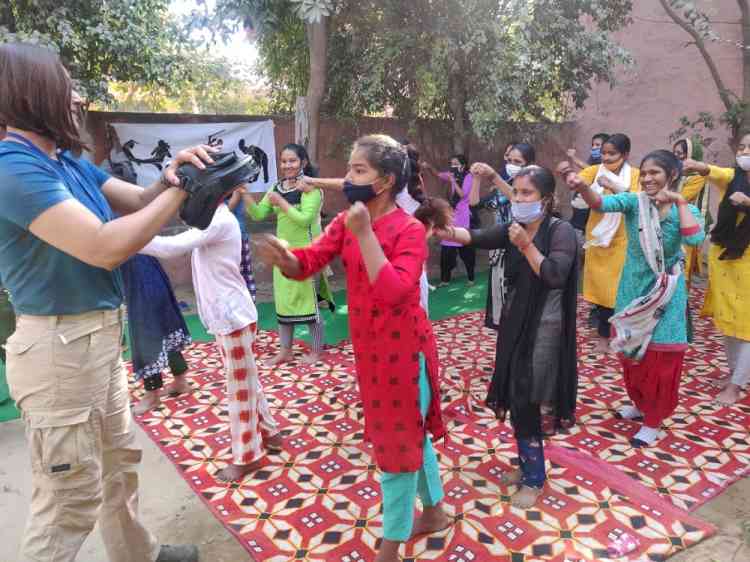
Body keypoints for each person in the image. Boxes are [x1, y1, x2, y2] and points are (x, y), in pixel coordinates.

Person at [0, 43, 211, 562]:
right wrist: (183, 194)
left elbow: (139, 200)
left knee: (119, 464)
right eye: (64, 84)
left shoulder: (63, 159)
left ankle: (140, 555)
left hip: (96, 339)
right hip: (58, 351)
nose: (76, 95)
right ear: (34, 93)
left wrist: (172, 176)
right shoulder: (12, 168)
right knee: (68, 501)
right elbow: (104, 246)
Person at [255, 134, 450, 562]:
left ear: (385, 181)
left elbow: (397, 291)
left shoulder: (410, 229)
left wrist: (365, 236)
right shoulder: (346, 222)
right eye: (349, 168)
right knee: (409, 435)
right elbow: (308, 260)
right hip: (370, 351)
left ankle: (390, 546)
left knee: (396, 447)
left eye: (358, 170)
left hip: (404, 355)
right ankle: (435, 511)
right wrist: (285, 259)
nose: (348, 177)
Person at [438, 165, 578, 508]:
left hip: (546, 326)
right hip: (516, 323)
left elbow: (555, 274)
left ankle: (534, 478)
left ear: (546, 200)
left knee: (529, 397)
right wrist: (445, 230)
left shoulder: (562, 232)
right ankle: (527, 464)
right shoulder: (515, 228)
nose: (518, 199)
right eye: (515, 192)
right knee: (516, 396)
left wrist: (526, 245)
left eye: (526, 193)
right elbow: (477, 237)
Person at [562, 150, 705, 447]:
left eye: (656, 173)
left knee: (660, 360)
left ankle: (653, 420)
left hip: (664, 295)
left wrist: (678, 203)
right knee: (632, 354)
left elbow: (693, 239)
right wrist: (583, 187)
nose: (649, 178)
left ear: (672, 175)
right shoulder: (633, 203)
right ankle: (639, 404)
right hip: (631, 291)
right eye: (646, 172)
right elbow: (600, 203)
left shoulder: (687, 210)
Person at [140, 202, 282, 481]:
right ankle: (270, 431)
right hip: (230, 316)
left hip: (233, 319)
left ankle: (248, 456)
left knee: (239, 389)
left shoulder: (217, 220)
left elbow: (168, 248)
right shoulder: (213, 219)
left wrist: (126, 238)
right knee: (246, 379)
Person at [245, 143, 333, 365]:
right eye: (284, 161)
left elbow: (304, 220)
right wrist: (243, 193)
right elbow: (257, 214)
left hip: (307, 255)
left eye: (292, 160)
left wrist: (281, 202)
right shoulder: (276, 187)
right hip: (283, 256)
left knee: (309, 306)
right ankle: (285, 351)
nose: (287, 165)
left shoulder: (311, 188)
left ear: (303, 162)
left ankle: (315, 351)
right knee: (283, 304)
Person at [683, 131, 750, 405]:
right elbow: (715, 172)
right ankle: (734, 373)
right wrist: (697, 165)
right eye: (743, 147)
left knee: (746, 326)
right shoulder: (733, 177)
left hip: (746, 262)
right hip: (724, 260)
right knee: (727, 320)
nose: (744, 152)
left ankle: (736, 385)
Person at [570, 133, 640, 354]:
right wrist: (571, 178)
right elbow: (578, 180)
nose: (607, 158)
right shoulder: (594, 170)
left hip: (625, 240)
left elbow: (639, 200)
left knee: (621, 292)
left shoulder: (636, 175)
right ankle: (602, 337)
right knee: (602, 293)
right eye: (604, 153)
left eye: (613, 153)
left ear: (626, 154)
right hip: (599, 240)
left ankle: (622, 336)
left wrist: (613, 185)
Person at [469, 143, 536, 329]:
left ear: (529, 164)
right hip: (499, 248)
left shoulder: (533, 188)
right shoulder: (499, 189)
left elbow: (516, 198)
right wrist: (476, 179)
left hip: (521, 246)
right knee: (500, 294)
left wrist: (493, 176)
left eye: (518, 161)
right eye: (510, 160)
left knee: (520, 294)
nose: (512, 164)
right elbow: (474, 204)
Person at [121, 254, 193, 415]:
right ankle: (181, 381)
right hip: (150, 271)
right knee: (164, 327)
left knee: (146, 332)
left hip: (138, 275)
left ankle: (152, 395)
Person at [423, 154, 476, 286]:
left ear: (462, 165)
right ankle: (445, 280)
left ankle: (471, 278)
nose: (452, 166)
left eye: (455, 164)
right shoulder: (452, 174)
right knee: (447, 248)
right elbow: (438, 175)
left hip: (463, 216)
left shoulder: (469, 177)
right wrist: (429, 167)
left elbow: (463, 195)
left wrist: (453, 181)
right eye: (451, 164)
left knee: (466, 249)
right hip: (452, 215)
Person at [673, 137, 708, 288]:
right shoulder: (676, 173)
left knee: (683, 266)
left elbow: (682, 197)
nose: (676, 156)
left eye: (680, 153)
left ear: (691, 155)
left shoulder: (697, 176)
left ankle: (683, 303)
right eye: (674, 152)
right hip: (672, 220)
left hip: (688, 223)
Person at [227, 187, 258, 301]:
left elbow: (228, 209)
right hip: (222, 237)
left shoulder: (236, 183)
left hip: (237, 236)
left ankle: (249, 304)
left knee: (243, 273)